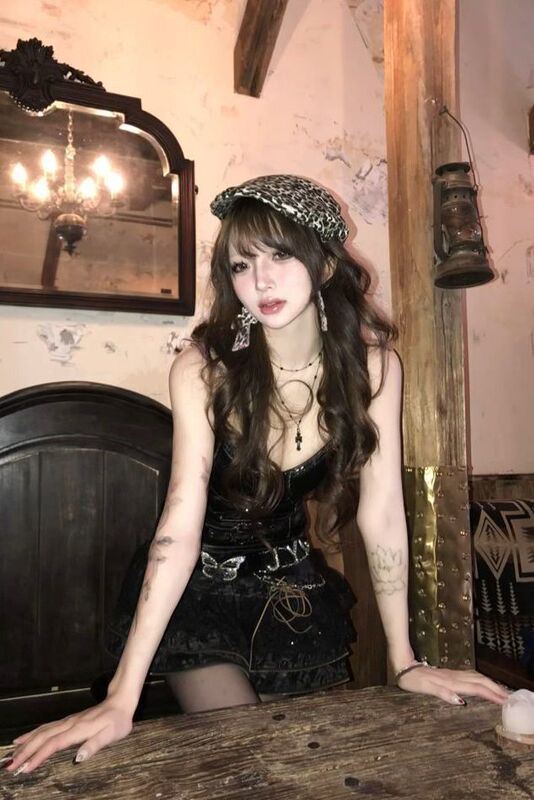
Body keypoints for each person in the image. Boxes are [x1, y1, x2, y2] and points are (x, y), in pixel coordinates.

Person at [5, 175, 508, 776]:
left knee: (315, 764)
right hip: (200, 593)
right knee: (255, 762)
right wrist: (122, 696)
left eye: (281, 255)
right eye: (242, 264)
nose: (260, 281)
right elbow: (178, 527)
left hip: (290, 592)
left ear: (325, 264)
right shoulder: (204, 371)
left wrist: (405, 662)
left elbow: (381, 517)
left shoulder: (375, 370)